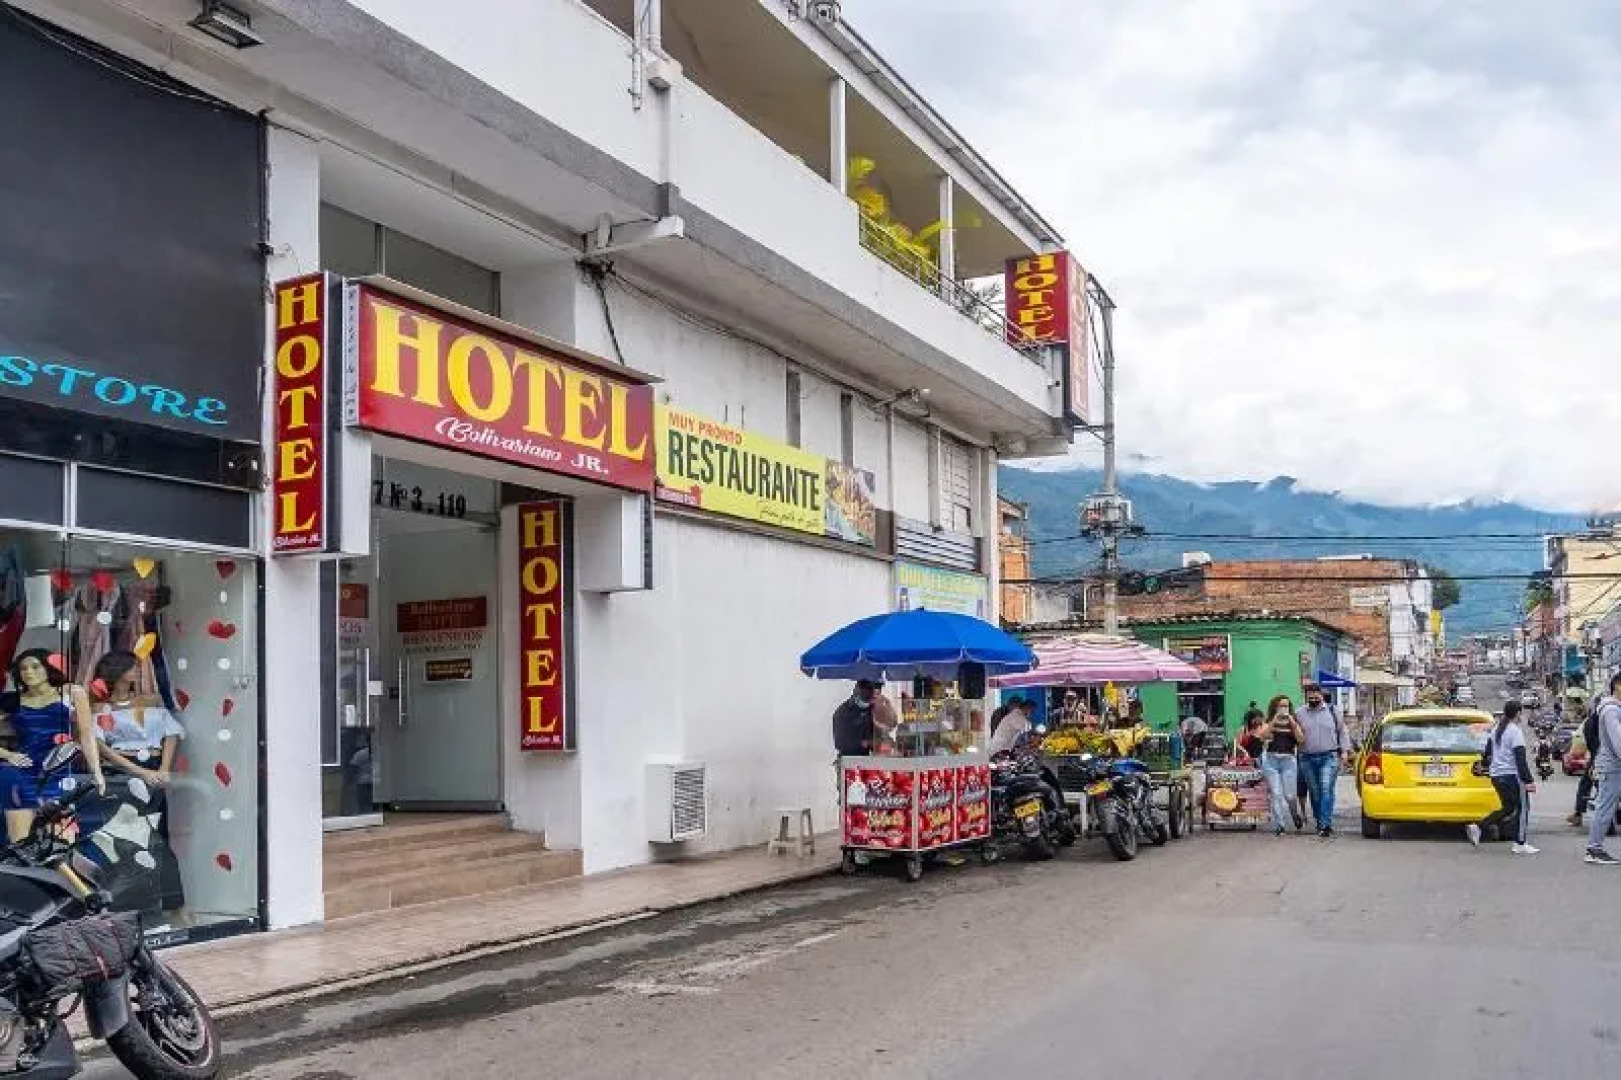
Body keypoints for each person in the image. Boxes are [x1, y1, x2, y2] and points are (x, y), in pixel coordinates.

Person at [1467, 701, 1537, 853]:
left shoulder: (1496, 730)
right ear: (1518, 713)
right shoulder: (1515, 731)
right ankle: (1520, 843)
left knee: (1508, 807)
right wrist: (1528, 780)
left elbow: (1486, 754)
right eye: (1521, 712)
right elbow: (1520, 758)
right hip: (1511, 776)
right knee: (1523, 808)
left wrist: (1485, 765)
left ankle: (1478, 826)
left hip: (1496, 775)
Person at [1295, 683, 1352, 838]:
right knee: (1315, 792)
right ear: (1306, 696)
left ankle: (1325, 824)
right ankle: (1321, 821)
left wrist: (1345, 752)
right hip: (1307, 758)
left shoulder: (1334, 711)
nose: (1313, 697)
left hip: (1329, 756)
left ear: (1322, 695)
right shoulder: (1299, 713)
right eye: (1310, 695)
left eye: (1316, 695)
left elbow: (1342, 732)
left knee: (1326, 789)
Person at [1582, 674, 1621, 866]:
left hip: (1613, 766)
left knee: (1604, 807)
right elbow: (1618, 742)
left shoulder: (1612, 709)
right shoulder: (1611, 711)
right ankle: (1594, 849)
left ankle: (1595, 848)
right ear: (1618, 686)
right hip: (1613, 767)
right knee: (1605, 808)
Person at [1257, 694, 1305, 835]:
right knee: (1276, 794)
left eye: (1286, 705)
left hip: (1288, 761)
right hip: (1271, 760)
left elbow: (1301, 740)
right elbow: (1263, 736)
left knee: (1290, 795)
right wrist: (1275, 719)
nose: (1284, 708)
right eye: (1281, 706)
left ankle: (1294, 815)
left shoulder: (1293, 721)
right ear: (1275, 707)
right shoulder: (1269, 721)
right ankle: (1280, 825)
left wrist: (1292, 721)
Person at [832, 679, 895, 757]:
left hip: (868, 759)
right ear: (859, 693)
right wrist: (868, 743)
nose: (873, 700)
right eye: (871, 696)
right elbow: (840, 744)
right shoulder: (843, 712)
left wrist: (887, 706)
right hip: (849, 759)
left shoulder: (872, 709)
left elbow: (888, 726)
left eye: (877, 695)